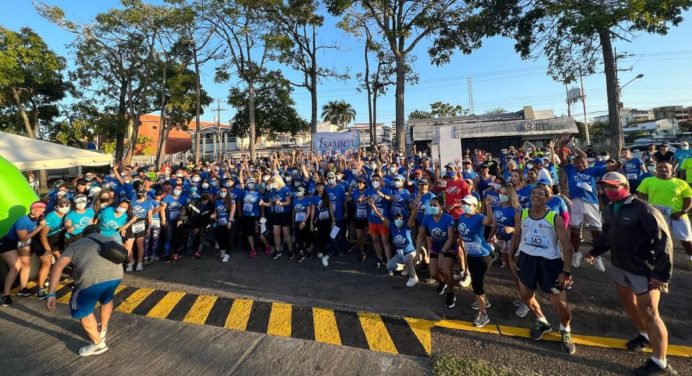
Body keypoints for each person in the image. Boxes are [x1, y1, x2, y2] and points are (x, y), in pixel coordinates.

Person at [584, 172, 677, 376]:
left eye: (613, 186)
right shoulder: (609, 208)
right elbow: (607, 234)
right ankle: (643, 335)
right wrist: (594, 251)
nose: (608, 190)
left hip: (643, 270)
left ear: (625, 187)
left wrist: (661, 274)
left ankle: (661, 363)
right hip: (620, 266)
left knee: (651, 313)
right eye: (605, 187)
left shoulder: (643, 209)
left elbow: (665, 242)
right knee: (627, 303)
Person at [510, 184, 576, 355]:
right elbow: (516, 236)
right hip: (527, 260)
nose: (536, 195)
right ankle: (542, 321)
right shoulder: (521, 214)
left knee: (560, 304)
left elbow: (566, 245)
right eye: (533, 193)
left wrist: (566, 271)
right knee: (525, 296)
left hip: (550, 264)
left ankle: (566, 330)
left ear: (548, 198)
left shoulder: (554, 218)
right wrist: (511, 257)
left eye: (541, 193)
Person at [45, 225, 124, 357]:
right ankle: (103, 329)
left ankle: (98, 344)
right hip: (116, 277)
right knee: (107, 299)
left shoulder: (76, 245)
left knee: (82, 310)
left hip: (91, 282)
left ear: (84, 234)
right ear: (98, 232)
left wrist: (51, 293)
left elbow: (58, 267)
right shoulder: (110, 239)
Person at [637, 161, 692, 268]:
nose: (663, 169)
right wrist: (645, 212)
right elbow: (641, 198)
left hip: (678, 216)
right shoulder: (647, 181)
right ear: (656, 169)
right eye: (660, 167)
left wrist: (683, 212)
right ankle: (656, 259)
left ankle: (690, 257)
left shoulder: (681, 183)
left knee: (686, 240)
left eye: (666, 167)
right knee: (656, 238)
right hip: (657, 216)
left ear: (671, 169)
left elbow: (689, 199)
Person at [456, 195, 494, 327]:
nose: (464, 205)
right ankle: (484, 302)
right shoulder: (461, 217)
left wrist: (488, 205)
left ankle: (483, 314)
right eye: (463, 203)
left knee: (477, 284)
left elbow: (489, 221)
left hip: (483, 256)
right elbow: (461, 235)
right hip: (471, 255)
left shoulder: (478, 218)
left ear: (474, 206)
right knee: (476, 282)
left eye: (468, 203)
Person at [0, 201, 47, 304]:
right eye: (41, 211)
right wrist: (40, 227)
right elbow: (24, 238)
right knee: (15, 267)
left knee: (26, 264)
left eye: (44, 211)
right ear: (34, 210)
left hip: (21, 242)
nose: (42, 213)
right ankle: (5, 296)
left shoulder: (39, 218)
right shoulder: (22, 221)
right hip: (8, 243)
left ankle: (23, 288)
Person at [421, 197, 457, 308]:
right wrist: (418, 251)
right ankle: (443, 282)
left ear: (441, 206)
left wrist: (442, 252)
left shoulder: (448, 218)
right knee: (434, 274)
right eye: (430, 205)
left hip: (449, 248)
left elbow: (451, 238)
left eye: (435, 205)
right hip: (435, 248)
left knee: (446, 270)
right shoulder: (427, 218)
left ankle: (451, 293)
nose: (432, 207)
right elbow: (421, 235)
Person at [34, 198, 71, 299]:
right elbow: (42, 236)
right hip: (41, 240)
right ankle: (40, 289)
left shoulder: (68, 215)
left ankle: (50, 278)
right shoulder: (51, 217)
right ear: (56, 206)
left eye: (67, 205)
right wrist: (48, 250)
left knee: (61, 261)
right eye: (62, 205)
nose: (65, 207)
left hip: (54, 239)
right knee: (47, 262)